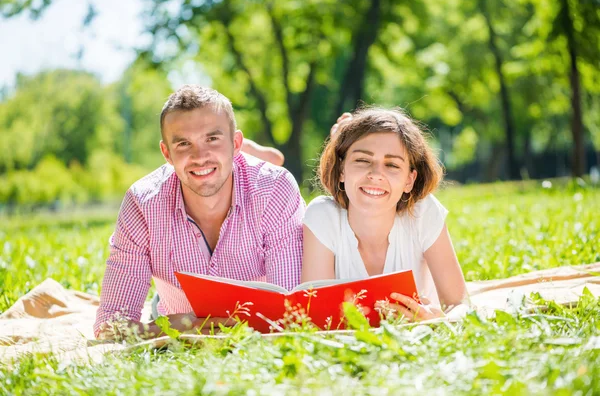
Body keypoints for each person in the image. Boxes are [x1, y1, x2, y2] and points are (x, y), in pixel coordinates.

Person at [94, 85, 304, 339]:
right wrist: (175, 326)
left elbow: (294, 313)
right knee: (159, 305)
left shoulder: (275, 189)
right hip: (175, 308)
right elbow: (110, 325)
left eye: (212, 139)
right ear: (166, 153)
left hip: (254, 325)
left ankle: (250, 153)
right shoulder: (142, 203)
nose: (199, 156)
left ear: (235, 142)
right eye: (183, 144)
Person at [302, 107, 468, 322]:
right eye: (363, 160)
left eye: (391, 165)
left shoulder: (423, 213)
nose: (376, 175)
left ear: (409, 180)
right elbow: (313, 315)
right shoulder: (322, 216)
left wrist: (434, 321)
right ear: (342, 170)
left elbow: (461, 305)